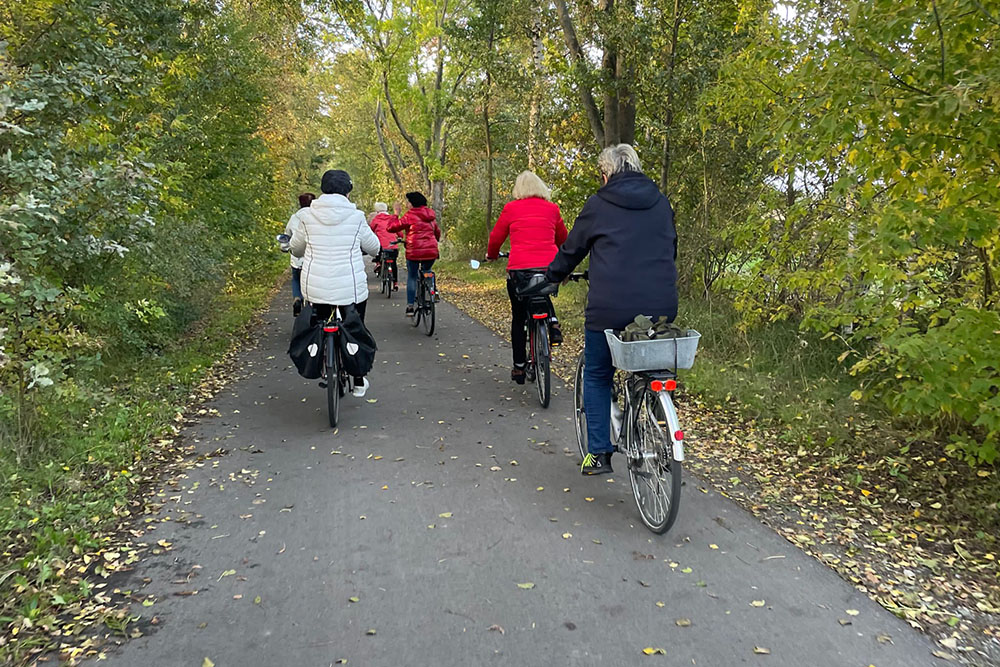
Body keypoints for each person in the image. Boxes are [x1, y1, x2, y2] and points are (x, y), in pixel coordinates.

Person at [544, 144, 678, 475]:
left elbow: (573, 248)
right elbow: (670, 248)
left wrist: (553, 277)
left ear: (606, 175)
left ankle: (600, 453)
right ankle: (657, 429)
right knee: (651, 367)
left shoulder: (599, 204)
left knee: (598, 372)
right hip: (661, 308)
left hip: (610, 309)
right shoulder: (660, 202)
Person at [289, 169, 381, 398]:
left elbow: (296, 248)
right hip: (350, 288)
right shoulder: (357, 217)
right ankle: (359, 378)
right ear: (348, 191)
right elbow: (374, 247)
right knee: (355, 326)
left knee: (317, 322)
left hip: (315, 287)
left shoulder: (308, 216)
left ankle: (321, 361)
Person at [486, 171, 568, 385]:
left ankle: (519, 368)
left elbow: (496, 237)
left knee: (519, 316)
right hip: (550, 267)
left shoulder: (511, 208)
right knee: (543, 289)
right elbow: (563, 239)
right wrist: (565, 263)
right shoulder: (552, 209)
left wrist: (492, 255)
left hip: (520, 269)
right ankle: (553, 323)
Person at [388, 192, 441, 317]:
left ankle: (410, 306)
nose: (406, 204)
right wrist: (433, 241)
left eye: (408, 202)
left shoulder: (409, 216)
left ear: (412, 203)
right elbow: (437, 232)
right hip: (431, 251)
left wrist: (395, 214)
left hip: (414, 252)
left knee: (412, 276)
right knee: (427, 270)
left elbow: (391, 228)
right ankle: (433, 290)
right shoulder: (430, 216)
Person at [284, 193, 315, 316]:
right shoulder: (317, 217)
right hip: (313, 257)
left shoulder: (294, 218)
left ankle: (297, 298)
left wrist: (286, 247)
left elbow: (287, 235)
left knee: (296, 278)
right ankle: (312, 305)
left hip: (297, 257)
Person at [369, 202, 400, 290]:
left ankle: (379, 263)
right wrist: (400, 236)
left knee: (378, 252)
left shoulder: (376, 219)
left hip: (381, 246)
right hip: (393, 246)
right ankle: (395, 283)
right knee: (393, 263)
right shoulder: (392, 219)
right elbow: (399, 231)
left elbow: (371, 230)